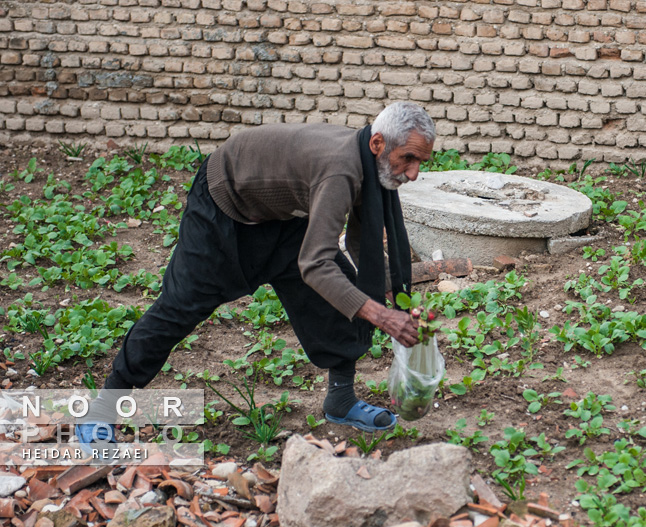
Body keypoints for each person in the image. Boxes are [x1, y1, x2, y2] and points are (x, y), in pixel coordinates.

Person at [76, 102, 436, 443]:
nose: (414, 172)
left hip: (283, 216)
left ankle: (340, 400)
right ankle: (104, 407)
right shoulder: (341, 168)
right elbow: (315, 264)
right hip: (224, 206)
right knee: (178, 308)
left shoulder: (368, 162)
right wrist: (380, 315)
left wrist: (392, 296)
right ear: (377, 143)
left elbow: (362, 244)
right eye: (408, 158)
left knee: (333, 304)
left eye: (420, 161)